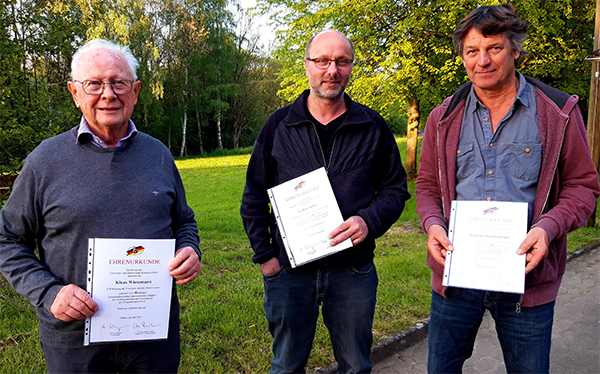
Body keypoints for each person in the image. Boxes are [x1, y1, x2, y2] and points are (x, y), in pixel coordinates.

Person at [415, 4, 600, 373]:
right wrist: (433, 225)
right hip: (456, 280)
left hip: (527, 283)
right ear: (462, 57)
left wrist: (547, 229)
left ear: (516, 50)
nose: (482, 60)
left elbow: (583, 187)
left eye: (494, 48)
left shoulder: (558, 112)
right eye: (472, 51)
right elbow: (427, 186)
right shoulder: (442, 117)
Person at [0, 39, 201, 373]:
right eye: (94, 83)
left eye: (119, 82)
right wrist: (49, 293)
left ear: (135, 91)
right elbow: (7, 239)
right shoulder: (44, 161)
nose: (108, 94)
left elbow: (183, 221)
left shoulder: (158, 155)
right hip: (75, 341)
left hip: (152, 336)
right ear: (75, 92)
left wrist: (189, 249)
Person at [240, 30, 410, 373]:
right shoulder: (279, 125)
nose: (331, 70)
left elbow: (395, 190)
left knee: (356, 365)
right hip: (290, 272)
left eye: (341, 62)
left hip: (353, 270)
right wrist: (266, 258)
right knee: (286, 365)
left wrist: (369, 220)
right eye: (322, 61)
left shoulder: (372, 125)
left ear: (350, 68)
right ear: (307, 66)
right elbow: (253, 196)